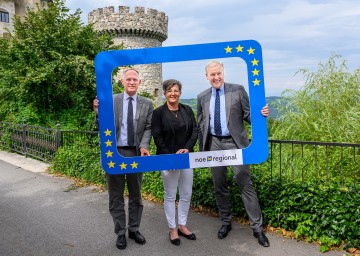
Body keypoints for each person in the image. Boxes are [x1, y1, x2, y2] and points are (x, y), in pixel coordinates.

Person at [196, 61, 270, 247]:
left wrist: (261, 115)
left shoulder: (238, 90)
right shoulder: (201, 97)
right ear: (207, 77)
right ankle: (226, 222)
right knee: (219, 185)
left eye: (218, 73)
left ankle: (257, 228)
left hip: (235, 144)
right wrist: (201, 150)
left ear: (223, 73)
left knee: (245, 184)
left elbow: (248, 115)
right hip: (214, 144)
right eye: (212, 75)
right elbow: (201, 124)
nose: (216, 77)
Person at [93, 68, 153, 250]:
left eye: (135, 79)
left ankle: (134, 229)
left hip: (136, 154)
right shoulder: (111, 101)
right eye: (129, 79)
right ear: (122, 82)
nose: (132, 82)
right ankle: (120, 232)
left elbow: (149, 127)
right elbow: (101, 127)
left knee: (136, 195)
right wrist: (97, 113)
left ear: (140, 82)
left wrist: (144, 145)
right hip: (115, 154)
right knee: (116, 196)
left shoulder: (147, 103)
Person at [151, 79, 198, 246]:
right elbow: (157, 137)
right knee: (170, 195)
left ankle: (183, 226)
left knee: (186, 194)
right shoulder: (158, 113)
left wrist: (187, 148)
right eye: (170, 90)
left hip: (186, 159)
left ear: (180, 93)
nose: (173, 93)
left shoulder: (187, 110)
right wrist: (169, 157)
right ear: (164, 93)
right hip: (167, 159)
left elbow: (194, 131)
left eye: (176, 90)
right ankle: (172, 229)